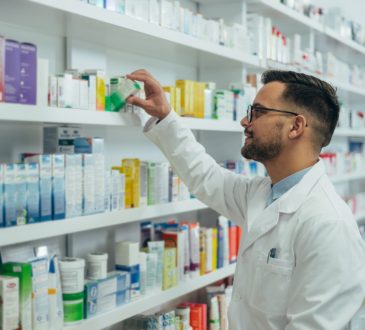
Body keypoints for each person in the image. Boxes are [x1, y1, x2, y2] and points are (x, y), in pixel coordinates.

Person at [127, 69, 365, 330]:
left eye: (258, 112)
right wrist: (166, 117)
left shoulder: (329, 225)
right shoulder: (264, 193)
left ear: (296, 126)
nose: (244, 121)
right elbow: (207, 177)